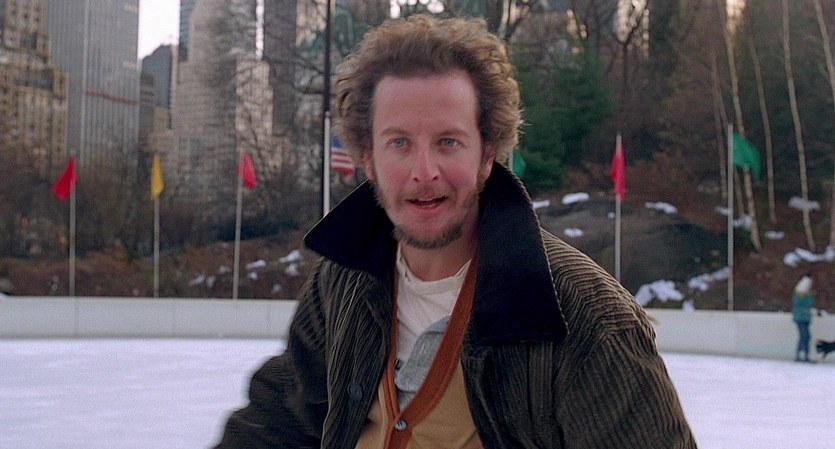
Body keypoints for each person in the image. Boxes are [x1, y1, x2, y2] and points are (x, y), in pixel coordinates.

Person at [215, 15, 696, 448]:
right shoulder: (341, 282)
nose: (424, 172)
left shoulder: (584, 319)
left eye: (448, 142)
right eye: (399, 143)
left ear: (486, 156)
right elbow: (277, 424)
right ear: (368, 158)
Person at [791, 273, 815, 362]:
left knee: (805, 336)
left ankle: (802, 354)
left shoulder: (805, 292)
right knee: (805, 336)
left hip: (804, 317)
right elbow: (800, 302)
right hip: (801, 317)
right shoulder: (802, 291)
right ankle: (802, 355)